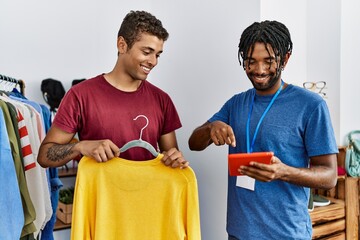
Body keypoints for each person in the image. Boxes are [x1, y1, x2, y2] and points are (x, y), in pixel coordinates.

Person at [188, 20, 338, 239]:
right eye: (251, 61)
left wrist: (283, 171)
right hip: (239, 233)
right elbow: (194, 144)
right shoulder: (236, 103)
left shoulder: (311, 105)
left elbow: (329, 176)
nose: (259, 70)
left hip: (286, 233)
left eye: (269, 61)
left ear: (285, 59)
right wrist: (212, 127)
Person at [37, 10, 189, 169]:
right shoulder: (80, 95)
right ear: (122, 45)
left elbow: (171, 158)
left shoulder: (162, 100)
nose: (153, 61)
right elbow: (45, 155)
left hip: (149, 193)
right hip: (100, 194)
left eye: (158, 55)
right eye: (146, 52)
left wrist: (175, 159)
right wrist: (80, 147)